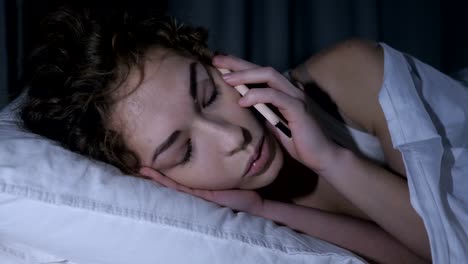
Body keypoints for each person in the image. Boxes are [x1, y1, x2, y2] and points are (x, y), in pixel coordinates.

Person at [20, 7, 431, 263]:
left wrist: (333, 158)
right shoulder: (240, 226)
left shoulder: (352, 73)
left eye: (208, 93)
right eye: (185, 151)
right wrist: (264, 211)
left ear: (215, 61)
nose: (232, 137)